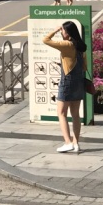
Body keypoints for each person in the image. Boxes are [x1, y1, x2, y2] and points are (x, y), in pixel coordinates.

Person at [43, 21, 87, 153]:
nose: (61, 33)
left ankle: (67, 142)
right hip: (79, 81)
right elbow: (84, 66)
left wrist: (55, 30)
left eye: (63, 31)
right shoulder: (81, 46)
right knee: (75, 114)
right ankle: (76, 143)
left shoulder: (67, 44)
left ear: (67, 33)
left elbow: (46, 40)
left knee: (61, 113)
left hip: (67, 81)